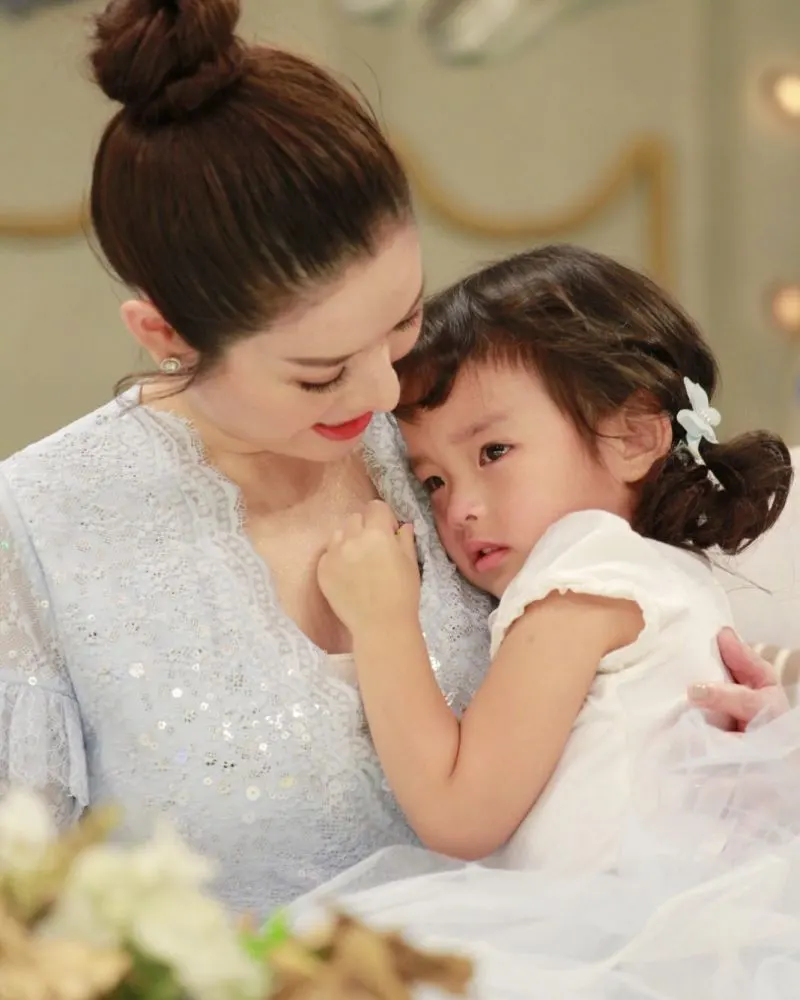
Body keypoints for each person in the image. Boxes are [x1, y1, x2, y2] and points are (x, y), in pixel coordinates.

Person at [0, 0, 785, 916]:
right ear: (165, 334)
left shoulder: (459, 428)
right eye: (321, 373)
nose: (383, 393)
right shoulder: (37, 529)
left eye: (403, 321)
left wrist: (730, 759)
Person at [317, 245, 793, 872]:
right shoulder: (666, 573)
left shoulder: (583, 572)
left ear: (633, 436)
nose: (459, 509)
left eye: (493, 451)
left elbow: (459, 816)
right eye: (433, 481)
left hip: (601, 917)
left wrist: (383, 623)